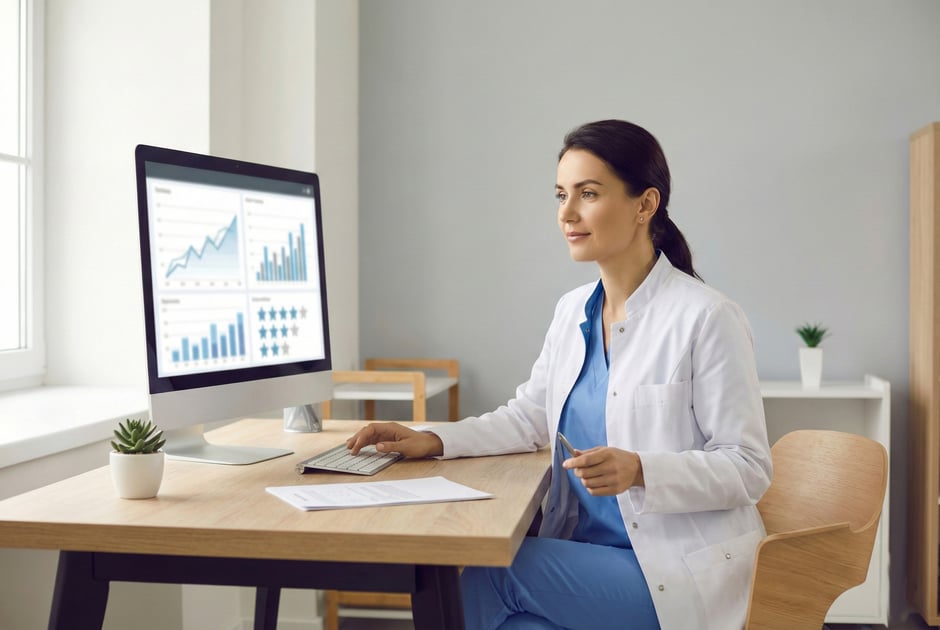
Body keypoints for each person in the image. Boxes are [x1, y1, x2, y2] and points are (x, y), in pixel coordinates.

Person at [345, 119, 772, 630]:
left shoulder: (706, 317)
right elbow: (530, 418)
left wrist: (642, 469)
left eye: (588, 194)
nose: (566, 214)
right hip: (590, 558)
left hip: (669, 571)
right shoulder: (573, 311)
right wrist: (431, 438)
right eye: (560, 194)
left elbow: (748, 467)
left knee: (496, 575)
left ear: (645, 204)